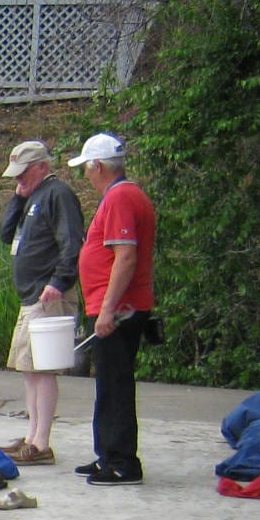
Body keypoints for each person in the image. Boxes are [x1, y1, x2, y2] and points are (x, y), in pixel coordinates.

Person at [69, 132, 156, 486]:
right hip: (116, 305)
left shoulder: (120, 197)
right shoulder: (123, 195)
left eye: (86, 169)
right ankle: (108, 453)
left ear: (98, 166)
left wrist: (108, 310)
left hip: (119, 309)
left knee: (116, 382)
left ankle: (121, 461)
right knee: (108, 381)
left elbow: (125, 256)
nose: (86, 176)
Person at [0, 138, 84, 465]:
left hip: (47, 293)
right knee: (28, 368)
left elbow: (71, 241)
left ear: (42, 167)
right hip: (30, 295)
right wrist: (18, 199)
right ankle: (32, 434)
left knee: (42, 368)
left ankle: (41, 441)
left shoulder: (57, 195)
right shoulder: (33, 196)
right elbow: (7, 234)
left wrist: (60, 281)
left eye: (23, 174)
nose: (18, 180)